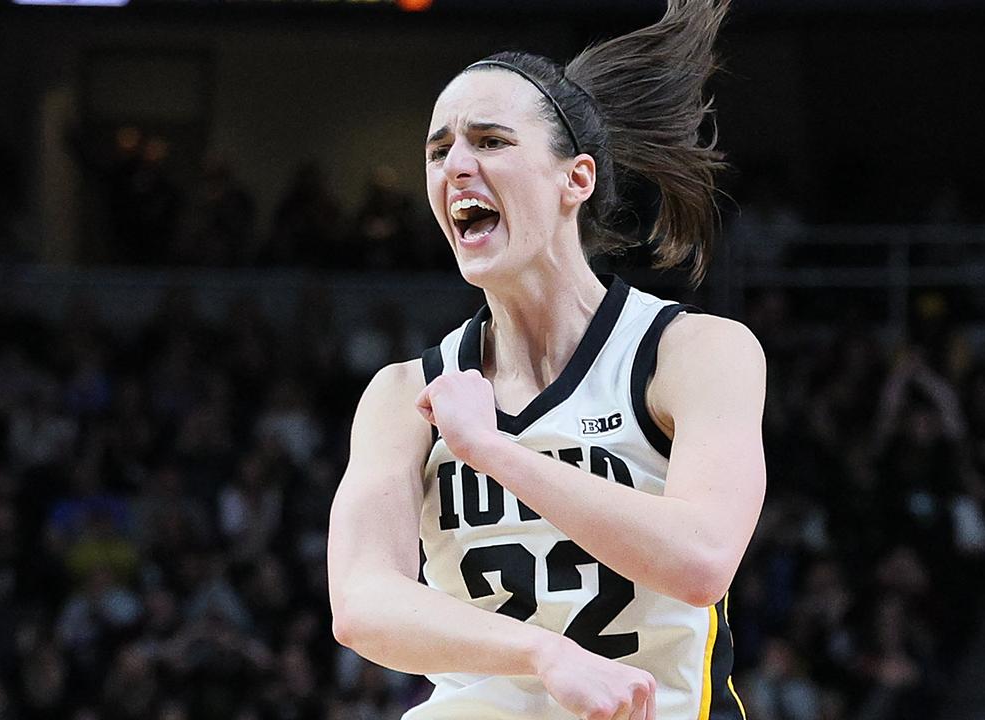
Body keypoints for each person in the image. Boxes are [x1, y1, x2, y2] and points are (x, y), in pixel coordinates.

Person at [328, 1, 765, 719]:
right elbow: (362, 602)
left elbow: (702, 559)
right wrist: (543, 653)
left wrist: (496, 453)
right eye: (439, 151)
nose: (456, 166)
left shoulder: (692, 352)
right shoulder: (402, 392)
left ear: (577, 179)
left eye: (491, 141)